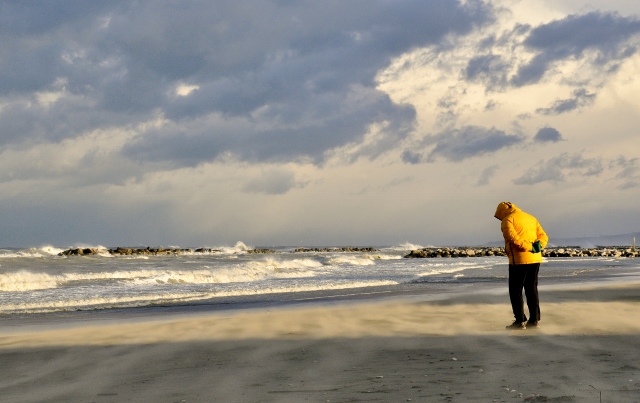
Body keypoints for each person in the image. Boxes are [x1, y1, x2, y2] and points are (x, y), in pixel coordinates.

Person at [494, 202, 548, 330]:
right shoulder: (531, 218)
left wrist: (528, 247)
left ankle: (520, 321)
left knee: (515, 290)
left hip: (519, 260)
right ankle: (534, 320)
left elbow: (513, 239)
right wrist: (536, 247)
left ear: (502, 212)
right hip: (535, 258)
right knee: (531, 289)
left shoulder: (508, 220)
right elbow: (543, 236)